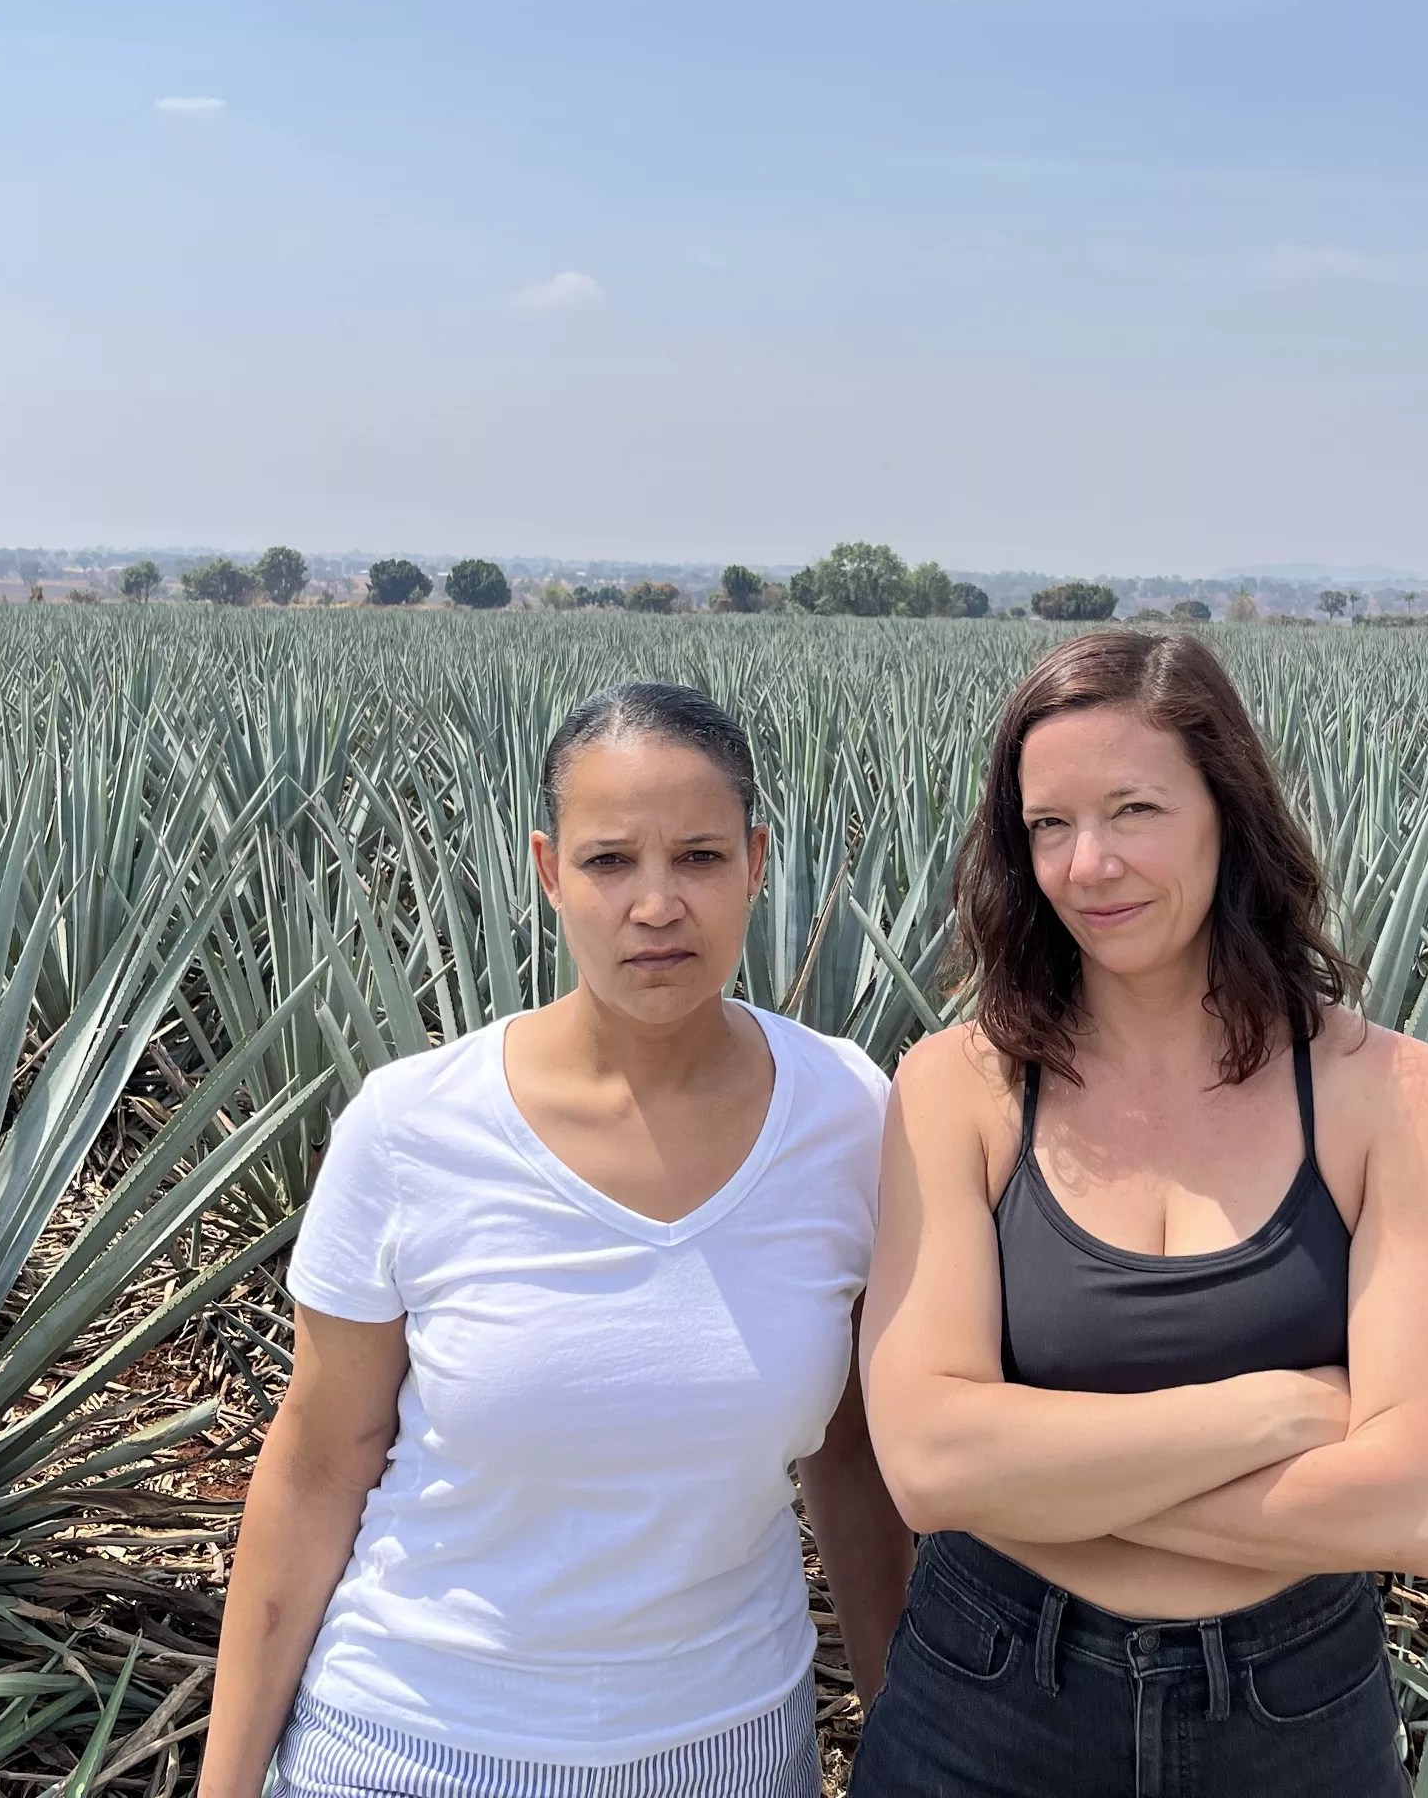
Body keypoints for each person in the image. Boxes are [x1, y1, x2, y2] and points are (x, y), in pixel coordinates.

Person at [200, 683, 912, 1798]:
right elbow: (315, 1467)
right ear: (546, 871)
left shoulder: (849, 1114)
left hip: (728, 1748)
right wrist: (226, 1782)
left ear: (759, 863)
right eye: (610, 861)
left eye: (701, 857)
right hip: (408, 1745)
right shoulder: (411, 1126)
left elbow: (856, 1459)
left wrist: (900, 1742)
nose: (658, 903)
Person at [852, 631, 1428, 1796]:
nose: (1088, 864)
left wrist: (1046, 1480)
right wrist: (1276, 1411)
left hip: (1291, 1711)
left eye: (1135, 809)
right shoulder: (961, 1085)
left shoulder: (1388, 1095)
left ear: (1227, 812)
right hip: (987, 1699)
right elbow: (934, 1468)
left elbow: (1422, 1506)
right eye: (1048, 825)